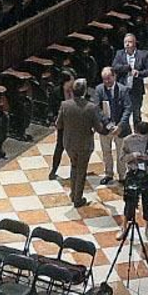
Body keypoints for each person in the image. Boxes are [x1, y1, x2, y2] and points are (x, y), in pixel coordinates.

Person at [54, 79, 101, 207]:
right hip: (84, 145)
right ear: (85, 91)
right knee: (81, 171)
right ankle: (77, 199)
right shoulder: (91, 107)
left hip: (69, 144)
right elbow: (99, 127)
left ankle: (73, 193)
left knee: (74, 166)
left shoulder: (65, 105)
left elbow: (58, 124)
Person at [120, 121, 148, 240]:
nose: (143, 139)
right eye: (140, 136)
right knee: (130, 201)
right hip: (133, 173)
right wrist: (133, 156)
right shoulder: (128, 140)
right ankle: (124, 226)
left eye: (145, 136)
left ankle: (147, 227)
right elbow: (122, 158)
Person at [93, 67, 132, 186]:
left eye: (109, 78)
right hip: (106, 128)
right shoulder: (99, 89)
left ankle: (122, 175)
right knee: (106, 152)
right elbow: (97, 109)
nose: (107, 82)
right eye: (104, 79)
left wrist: (119, 125)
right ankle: (108, 174)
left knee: (121, 153)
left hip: (120, 128)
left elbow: (128, 108)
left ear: (114, 76)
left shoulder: (123, 90)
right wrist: (108, 124)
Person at [111, 33, 148, 115]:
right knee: (123, 113)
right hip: (123, 88)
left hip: (136, 89)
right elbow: (114, 67)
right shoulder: (119, 53)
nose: (127, 44)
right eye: (125, 42)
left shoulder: (142, 55)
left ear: (135, 43)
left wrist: (139, 73)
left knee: (136, 113)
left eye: (130, 42)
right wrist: (126, 68)